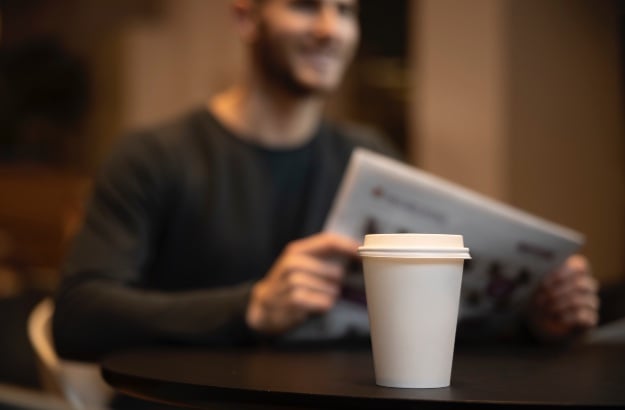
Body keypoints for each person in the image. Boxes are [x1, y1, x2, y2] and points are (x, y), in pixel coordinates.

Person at [52, 0, 599, 361]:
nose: (329, 29)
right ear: (245, 18)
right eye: (305, 5)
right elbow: (77, 318)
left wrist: (533, 318)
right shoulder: (153, 156)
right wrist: (251, 307)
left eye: (346, 9)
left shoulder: (370, 156)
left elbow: (424, 319)